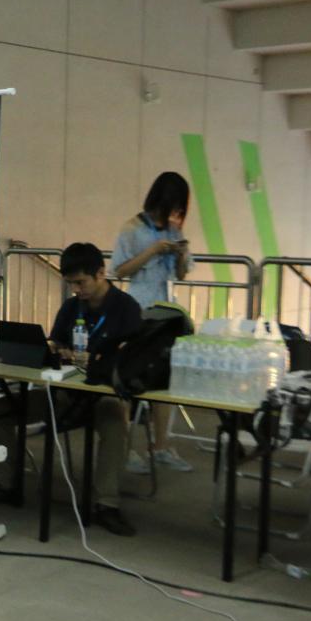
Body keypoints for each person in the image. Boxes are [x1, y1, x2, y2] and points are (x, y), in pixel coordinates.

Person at [47, 243, 143, 536]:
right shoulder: (71, 307)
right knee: (4, 411)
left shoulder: (126, 308)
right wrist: (58, 350)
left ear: (101, 273)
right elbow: (55, 342)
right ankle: (6, 483)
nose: (76, 290)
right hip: (67, 389)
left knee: (115, 425)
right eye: (71, 284)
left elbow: (133, 357)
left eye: (81, 282)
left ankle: (107, 504)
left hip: (104, 392)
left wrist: (100, 360)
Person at [112, 171, 195, 474]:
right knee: (127, 378)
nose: (173, 214)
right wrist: (152, 251)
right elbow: (120, 270)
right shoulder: (132, 228)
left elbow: (182, 274)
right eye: (170, 207)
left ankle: (160, 446)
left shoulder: (174, 231)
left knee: (165, 381)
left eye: (178, 209)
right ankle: (124, 449)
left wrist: (181, 252)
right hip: (138, 310)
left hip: (166, 312)